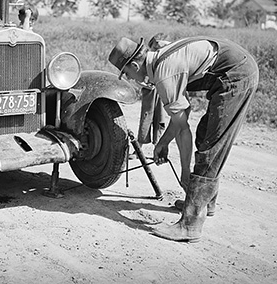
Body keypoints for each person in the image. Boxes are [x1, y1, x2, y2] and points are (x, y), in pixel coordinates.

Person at [108, 35, 259, 242]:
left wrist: (185, 171)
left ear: (135, 64)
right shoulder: (161, 59)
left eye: (126, 73)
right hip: (231, 70)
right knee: (205, 134)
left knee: (211, 147)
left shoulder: (164, 74)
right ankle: (204, 203)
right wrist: (163, 142)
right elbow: (182, 115)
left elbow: (182, 128)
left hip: (236, 75)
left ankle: (190, 224)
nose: (130, 79)